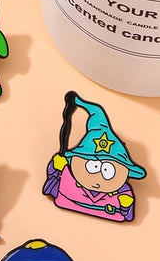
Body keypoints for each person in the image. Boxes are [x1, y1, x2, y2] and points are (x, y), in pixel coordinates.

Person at [43, 92, 146, 222]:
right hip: (66, 203)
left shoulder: (122, 191)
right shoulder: (67, 174)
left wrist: (125, 206)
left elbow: (127, 215)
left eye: (107, 171)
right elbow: (51, 188)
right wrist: (56, 168)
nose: (97, 178)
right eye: (93, 166)